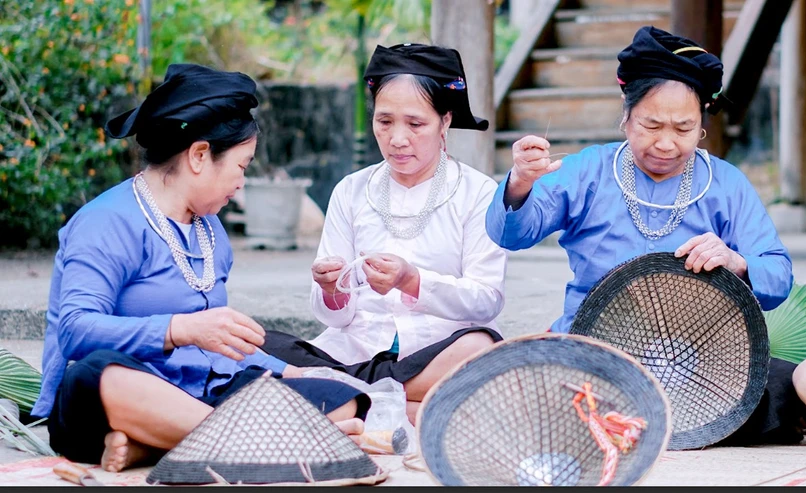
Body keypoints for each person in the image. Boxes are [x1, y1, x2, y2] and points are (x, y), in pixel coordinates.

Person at [484, 26, 806, 445]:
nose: (666, 143)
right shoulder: (588, 171)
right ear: (625, 117)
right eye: (651, 124)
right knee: (517, 395)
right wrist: (519, 182)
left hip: (706, 367)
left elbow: (777, 274)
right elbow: (512, 234)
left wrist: (737, 262)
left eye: (684, 128)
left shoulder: (726, 183)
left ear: (702, 125)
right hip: (597, 356)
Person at [32, 64, 370, 472]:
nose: (242, 182)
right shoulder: (107, 222)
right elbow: (75, 330)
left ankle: (158, 447)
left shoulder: (211, 232)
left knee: (342, 400)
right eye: (242, 167)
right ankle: (256, 443)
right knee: (98, 374)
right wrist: (181, 329)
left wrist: (290, 372)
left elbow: (220, 353)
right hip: (114, 397)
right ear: (199, 155)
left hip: (196, 394)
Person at [262, 43, 507, 424]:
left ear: (445, 121)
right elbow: (334, 320)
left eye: (415, 123)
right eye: (384, 121)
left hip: (435, 352)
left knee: (481, 349)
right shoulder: (351, 190)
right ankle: (409, 409)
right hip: (353, 351)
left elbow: (486, 300)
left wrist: (412, 281)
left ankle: (346, 399)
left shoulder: (478, 193)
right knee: (258, 347)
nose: (397, 138)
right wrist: (332, 290)